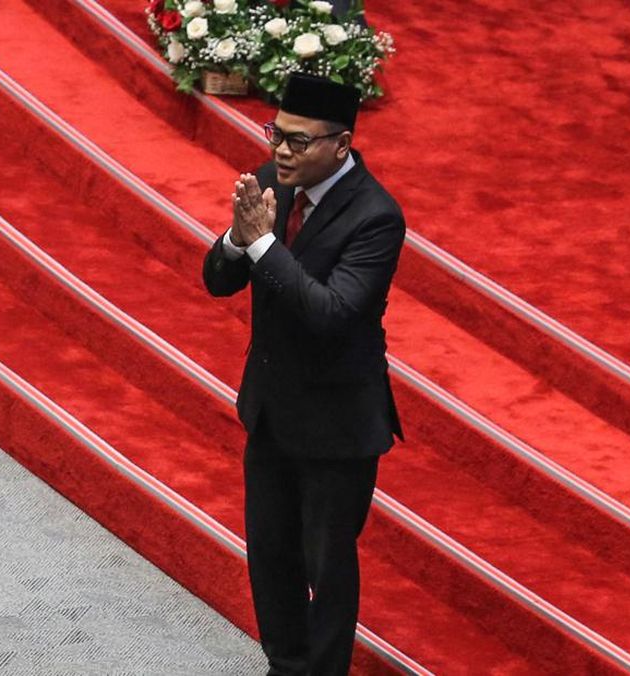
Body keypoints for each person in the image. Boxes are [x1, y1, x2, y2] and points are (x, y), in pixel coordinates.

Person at [201, 73, 405, 676]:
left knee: (327, 568)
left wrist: (263, 245)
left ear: (340, 145)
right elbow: (217, 281)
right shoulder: (272, 183)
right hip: (272, 412)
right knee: (270, 557)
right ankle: (286, 667)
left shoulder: (376, 217)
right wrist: (236, 241)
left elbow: (331, 314)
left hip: (337, 427)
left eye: (299, 141)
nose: (282, 151)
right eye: (277, 134)